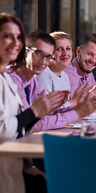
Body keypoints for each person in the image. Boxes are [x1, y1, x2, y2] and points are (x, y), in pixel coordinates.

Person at [0, 13, 68, 193]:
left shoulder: (6, 79)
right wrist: (34, 112)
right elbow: (3, 129)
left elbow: (22, 126)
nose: (15, 43)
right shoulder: (9, 79)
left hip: (17, 163)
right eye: (8, 36)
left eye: (18, 38)